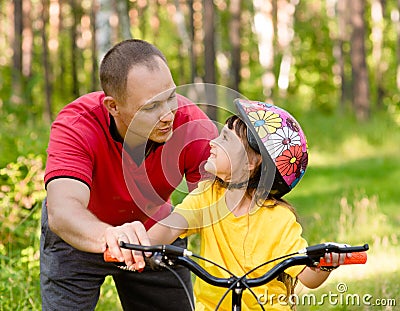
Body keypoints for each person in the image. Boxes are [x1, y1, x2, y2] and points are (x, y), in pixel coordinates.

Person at [40, 39, 218, 311]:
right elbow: (62, 211)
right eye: (151, 107)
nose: (168, 114)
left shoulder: (192, 125)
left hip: (155, 233)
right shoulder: (77, 125)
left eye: (171, 96)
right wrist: (112, 237)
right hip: (80, 233)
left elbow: (215, 204)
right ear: (113, 106)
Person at [127, 99, 353, 310]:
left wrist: (324, 265)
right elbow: (171, 226)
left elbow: (307, 276)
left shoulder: (278, 219)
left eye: (225, 139)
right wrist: (140, 246)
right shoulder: (209, 196)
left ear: (252, 163)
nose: (212, 143)